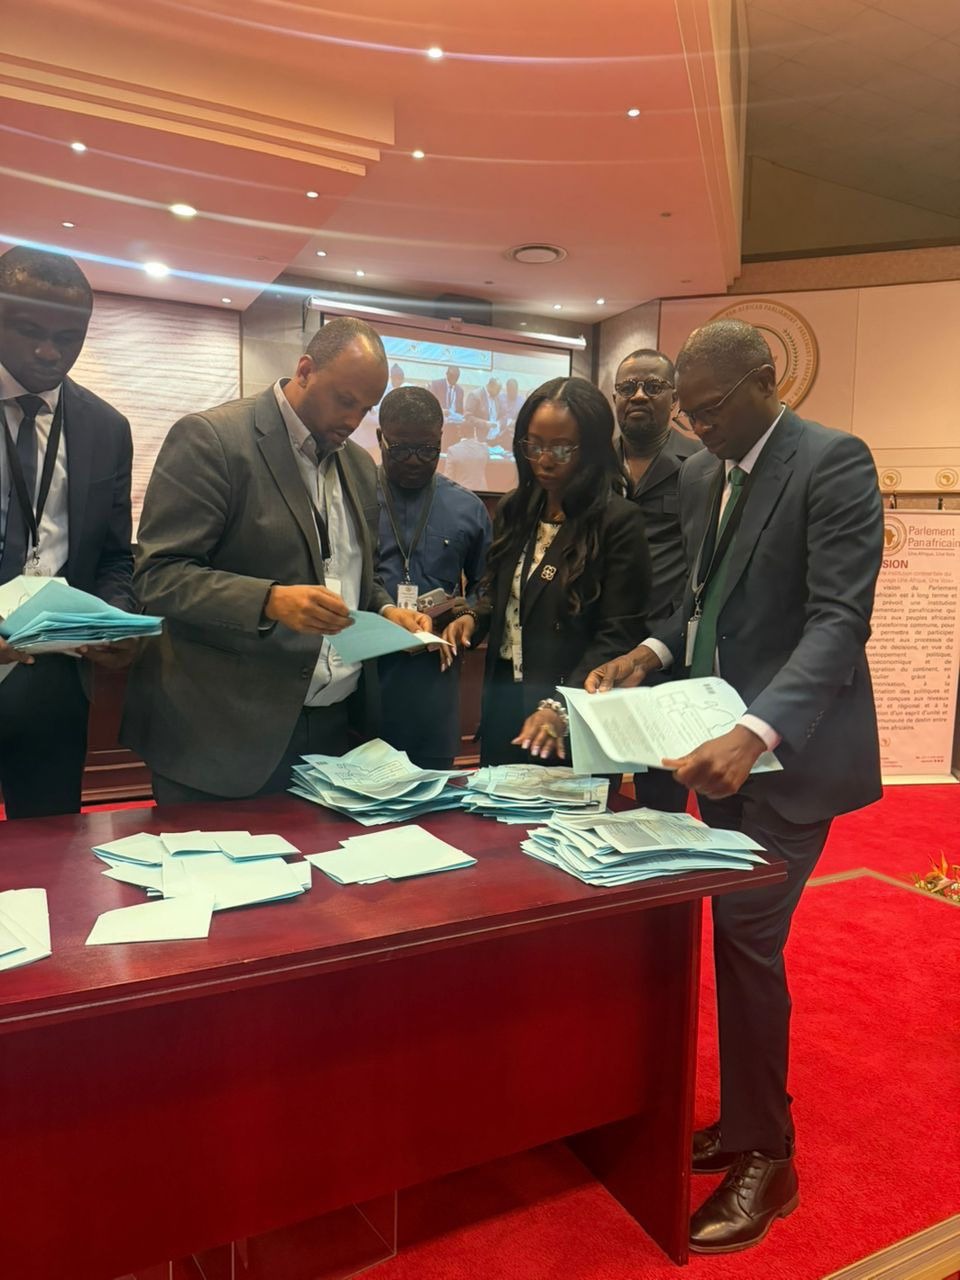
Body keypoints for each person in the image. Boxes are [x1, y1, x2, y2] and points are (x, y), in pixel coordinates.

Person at [586, 320, 884, 1253]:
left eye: (710, 409)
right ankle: (747, 1120)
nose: (697, 426)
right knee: (730, 937)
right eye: (689, 412)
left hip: (791, 757)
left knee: (749, 941)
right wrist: (649, 653)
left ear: (765, 382)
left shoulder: (833, 462)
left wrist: (755, 734)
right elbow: (697, 603)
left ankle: (771, 1155)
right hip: (711, 745)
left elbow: (839, 622)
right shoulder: (705, 475)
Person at [122, 317, 429, 804]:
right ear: (305, 371)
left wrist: (385, 609)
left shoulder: (357, 465)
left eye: (365, 408)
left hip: (333, 732)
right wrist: (269, 601)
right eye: (344, 400)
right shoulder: (212, 440)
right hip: (220, 734)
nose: (353, 421)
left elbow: (353, 575)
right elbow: (158, 576)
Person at [443, 376, 650, 765]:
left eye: (561, 448)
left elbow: (618, 635)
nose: (545, 460)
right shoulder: (516, 508)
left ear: (591, 449)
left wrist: (559, 706)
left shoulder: (618, 522)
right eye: (534, 445)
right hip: (505, 699)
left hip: (572, 709)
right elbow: (502, 593)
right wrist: (474, 618)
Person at [0, 247, 136, 819]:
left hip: (53, 679)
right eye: (30, 331)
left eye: (69, 337)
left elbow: (114, 556)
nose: (49, 352)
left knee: (49, 845)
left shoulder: (107, 428)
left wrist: (114, 619)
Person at [375, 386, 491, 769]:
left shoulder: (467, 508)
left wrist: (469, 616)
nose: (414, 461)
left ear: (442, 439)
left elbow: (488, 585)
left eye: (427, 450)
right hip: (364, 683)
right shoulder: (355, 498)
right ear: (380, 437)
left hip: (434, 686)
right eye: (400, 449)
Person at [614, 347, 703, 813]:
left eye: (653, 386)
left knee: (662, 799)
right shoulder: (593, 464)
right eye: (628, 387)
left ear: (675, 399)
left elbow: (703, 569)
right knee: (591, 790)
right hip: (603, 651)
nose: (639, 396)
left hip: (667, 654)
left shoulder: (703, 464)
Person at [445, 417, 490, 492]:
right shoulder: (484, 448)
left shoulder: (452, 450)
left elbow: (448, 477)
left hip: (461, 492)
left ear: (460, 432)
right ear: (474, 431)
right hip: (483, 492)